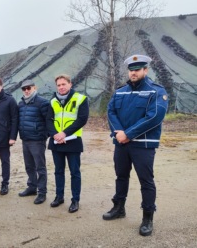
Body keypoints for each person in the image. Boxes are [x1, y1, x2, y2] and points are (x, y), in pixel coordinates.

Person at [103, 54, 168, 236]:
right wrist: (119, 133)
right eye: (131, 70)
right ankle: (119, 208)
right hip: (122, 143)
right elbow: (111, 111)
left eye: (137, 70)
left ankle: (148, 217)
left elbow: (155, 116)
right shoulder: (120, 91)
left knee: (146, 181)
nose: (133, 73)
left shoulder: (156, 91)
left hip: (143, 145)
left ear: (145, 70)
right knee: (121, 177)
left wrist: (128, 134)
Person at [46, 74, 89, 213]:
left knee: (74, 172)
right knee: (58, 171)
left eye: (64, 84)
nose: (61, 87)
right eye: (59, 85)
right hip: (57, 142)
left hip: (73, 141)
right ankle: (59, 197)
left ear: (70, 84)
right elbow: (48, 120)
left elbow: (82, 119)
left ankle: (75, 200)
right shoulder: (52, 101)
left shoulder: (80, 99)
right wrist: (55, 135)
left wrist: (64, 133)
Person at [17, 79, 49, 204]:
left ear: (34, 88)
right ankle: (32, 187)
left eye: (28, 88)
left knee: (40, 167)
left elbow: (48, 121)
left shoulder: (42, 103)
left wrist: (44, 135)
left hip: (37, 140)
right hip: (25, 139)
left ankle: (42, 192)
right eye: (24, 89)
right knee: (29, 166)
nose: (26, 90)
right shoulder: (21, 104)